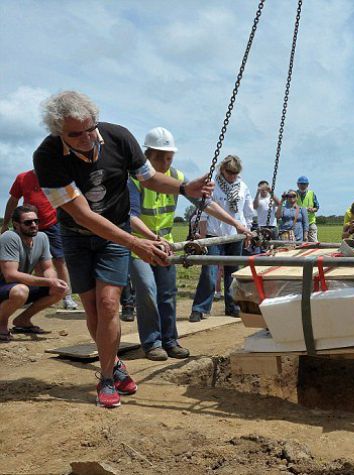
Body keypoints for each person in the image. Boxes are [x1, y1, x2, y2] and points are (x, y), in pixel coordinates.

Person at [33, 91, 213, 408]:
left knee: (108, 304)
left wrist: (184, 188)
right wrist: (135, 243)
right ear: (59, 131)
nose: (87, 138)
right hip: (77, 236)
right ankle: (114, 363)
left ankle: (104, 378)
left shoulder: (119, 138)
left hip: (114, 236)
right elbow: (83, 214)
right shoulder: (47, 156)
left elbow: (149, 178)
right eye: (75, 134)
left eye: (90, 128)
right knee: (92, 309)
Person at [129, 127, 251, 360]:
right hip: (139, 246)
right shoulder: (135, 179)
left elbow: (207, 204)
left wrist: (237, 224)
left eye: (169, 158)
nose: (165, 163)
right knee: (147, 290)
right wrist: (153, 238)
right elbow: (130, 215)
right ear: (147, 155)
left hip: (165, 244)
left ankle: (170, 341)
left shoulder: (176, 178)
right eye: (160, 158)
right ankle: (152, 342)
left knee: (167, 293)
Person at [2, 170, 78, 310]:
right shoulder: (23, 178)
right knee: (34, 261)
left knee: (59, 260)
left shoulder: (55, 176)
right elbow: (13, 200)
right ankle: (33, 295)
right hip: (27, 225)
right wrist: (6, 223)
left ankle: (67, 297)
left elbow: (69, 200)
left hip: (52, 224)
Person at [190, 155, 254, 321]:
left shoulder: (243, 187)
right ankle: (200, 308)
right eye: (229, 172)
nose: (232, 176)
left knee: (232, 272)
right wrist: (202, 236)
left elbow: (247, 213)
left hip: (235, 234)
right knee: (209, 272)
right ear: (222, 169)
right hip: (214, 234)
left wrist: (248, 231)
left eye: (235, 173)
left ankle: (232, 307)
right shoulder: (212, 185)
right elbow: (203, 210)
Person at [0, 205, 68, 341]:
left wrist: (52, 281)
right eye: (28, 222)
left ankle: (22, 321)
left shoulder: (41, 237)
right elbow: (10, 275)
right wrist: (49, 281)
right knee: (20, 291)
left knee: (61, 289)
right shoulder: (9, 237)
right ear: (16, 224)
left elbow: (48, 267)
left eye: (36, 221)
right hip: (5, 285)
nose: (33, 225)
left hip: (17, 286)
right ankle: (1, 324)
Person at [295, 176, 319, 242]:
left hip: (310, 222)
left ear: (307, 185)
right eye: (301, 184)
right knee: (298, 243)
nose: (303, 186)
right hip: (299, 223)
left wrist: (313, 209)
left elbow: (317, 207)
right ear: (297, 185)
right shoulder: (294, 194)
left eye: (304, 184)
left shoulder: (312, 194)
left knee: (314, 242)